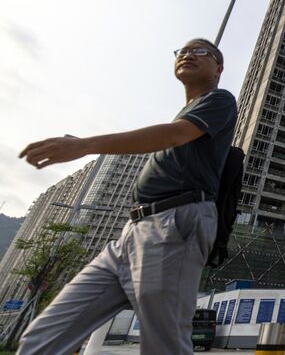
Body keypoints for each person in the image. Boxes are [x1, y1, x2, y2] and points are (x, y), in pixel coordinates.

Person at [17, 38, 237, 355]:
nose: (188, 54)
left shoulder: (219, 100)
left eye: (201, 51)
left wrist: (85, 145)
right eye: (183, 51)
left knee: (164, 346)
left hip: (173, 225)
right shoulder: (185, 111)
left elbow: (175, 133)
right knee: (44, 336)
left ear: (218, 68)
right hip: (129, 235)